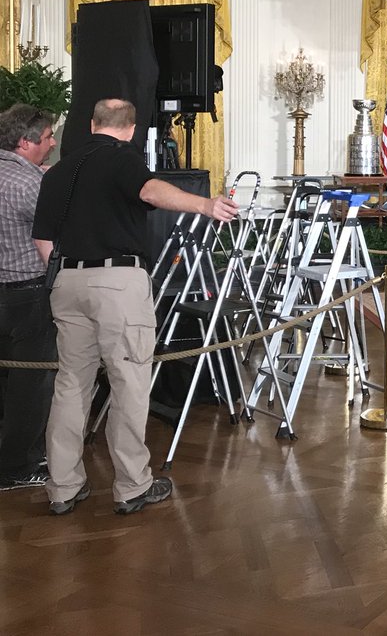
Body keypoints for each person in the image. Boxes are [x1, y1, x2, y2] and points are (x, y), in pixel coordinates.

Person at [32, 99, 238, 516]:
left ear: (92, 125)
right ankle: (131, 486)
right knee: (129, 383)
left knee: (71, 385)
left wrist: (69, 275)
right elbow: (149, 190)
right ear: (130, 129)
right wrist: (204, 205)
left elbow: (43, 239)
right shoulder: (122, 160)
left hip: (66, 282)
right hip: (117, 283)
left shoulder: (57, 171)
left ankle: (63, 487)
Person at [0, 105, 57, 491]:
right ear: (26, 141)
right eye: (49, 136)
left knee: (6, 381)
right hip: (28, 294)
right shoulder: (28, 185)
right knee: (31, 385)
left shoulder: (15, 174)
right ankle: (17, 467)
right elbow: (52, 238)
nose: (53, 143)